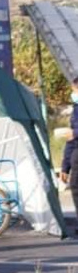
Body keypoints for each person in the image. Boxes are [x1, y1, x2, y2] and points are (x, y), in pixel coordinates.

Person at [59, 78, 78, 236]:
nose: (73, 94)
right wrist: (65, 167)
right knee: (75, 186)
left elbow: (74, 134)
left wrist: (75, 133)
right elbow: (70, 141)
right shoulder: (76, 109)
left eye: (75, 91)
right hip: (75, 153)